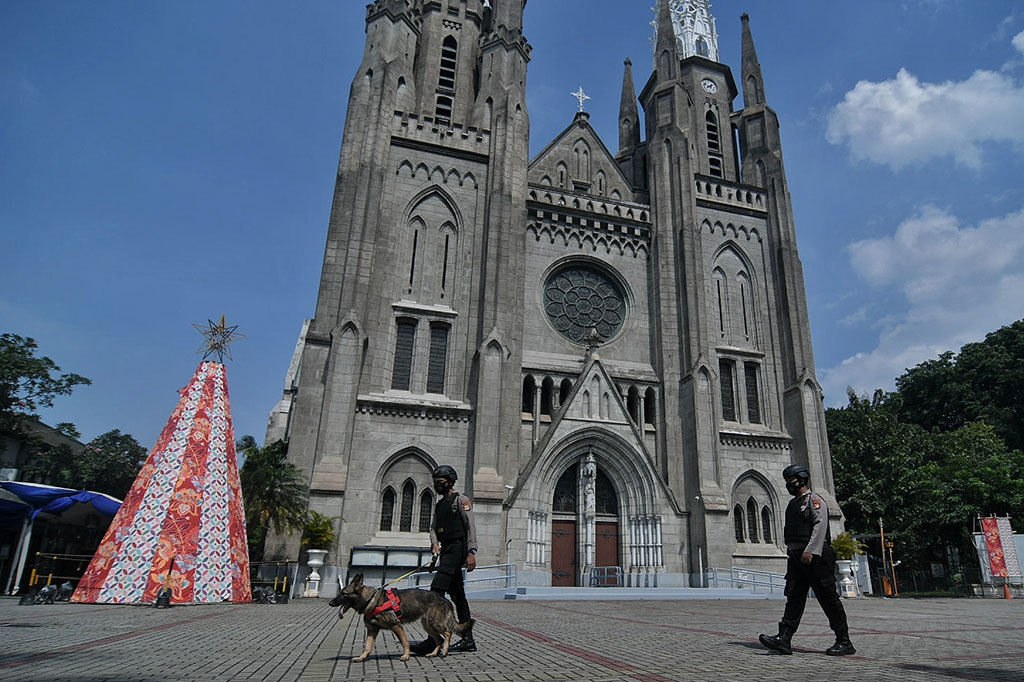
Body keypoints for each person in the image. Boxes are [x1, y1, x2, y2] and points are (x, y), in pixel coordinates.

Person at [759, 464, 856, 656]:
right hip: (796, 558)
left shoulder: (815, 500)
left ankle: (844, 641)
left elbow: (820, 526)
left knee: (828, 598)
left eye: (791, 482)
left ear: (802, 481)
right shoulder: (793, 503)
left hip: (815, 557)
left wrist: (811, 551)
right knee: (794, 596)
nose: (789, 486)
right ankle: (784, 638)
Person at [410, 464, 477, 654]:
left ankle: (433, 640)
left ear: (449, 481)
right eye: (435, 482)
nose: (437, 485)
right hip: (446, 550)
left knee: (435, 593)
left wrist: (472, 551)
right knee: (458, 596)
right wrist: (434, 543)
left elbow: (470, 526)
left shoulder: (461, 500)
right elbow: (433, 527)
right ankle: (468, 640)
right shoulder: (439, 504)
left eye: (440, 482)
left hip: (458, 549)